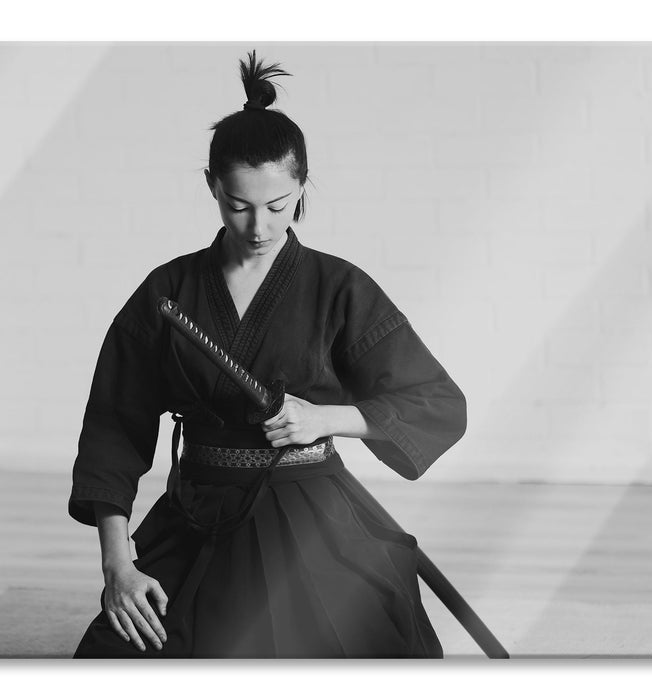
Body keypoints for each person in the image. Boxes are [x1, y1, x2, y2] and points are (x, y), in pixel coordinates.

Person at [68, 50, 467, 658]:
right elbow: (112, 429)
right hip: (201, 509)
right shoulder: (167, 292)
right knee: (116, 658)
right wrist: (118, 566)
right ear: (212, 186)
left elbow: (436, 403)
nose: (258, 226)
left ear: (302, 187)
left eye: (277, 206)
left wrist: (324, 418)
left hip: (314, 510)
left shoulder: (339, 287)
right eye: (238, 205)